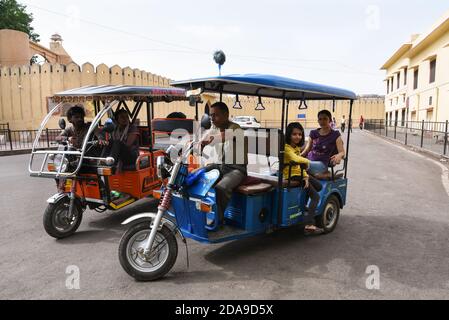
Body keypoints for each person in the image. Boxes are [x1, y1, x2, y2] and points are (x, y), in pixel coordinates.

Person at [200, 102, 247, 227]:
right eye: (211, 116)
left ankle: (218, 220)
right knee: (197, 174)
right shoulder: (214, 127)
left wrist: (207, 141)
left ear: (226, 115)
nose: (212, 119)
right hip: (220, 166)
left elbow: (223, 136)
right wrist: (194, 143)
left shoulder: (235, 127)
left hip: (236, 170)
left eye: (215, 115)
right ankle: (198, 214)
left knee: (221, 187)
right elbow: (203, 138)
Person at [284, 123, 324, 235]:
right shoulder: (286, 148)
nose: (298, 137)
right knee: (315, 196)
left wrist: (306, 176)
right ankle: (309, 225)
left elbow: (298, 165)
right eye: (294, 134)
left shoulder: (296, 147)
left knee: (319, 186)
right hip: (291, 175)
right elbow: (295, 159)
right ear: (288, 135)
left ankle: (304, 205)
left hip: (299, 174)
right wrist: (307, 162)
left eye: (300, 134)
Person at [301, 110, 346, 179]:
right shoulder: (313, 133)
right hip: (309, 160)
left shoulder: (335, 135)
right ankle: (324, 175)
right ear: (318, 120)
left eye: (325, 119)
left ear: (330, 120)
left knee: (302, 165)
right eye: (320, 119)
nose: (322, 121)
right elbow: (307, 149)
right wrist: (298, 156)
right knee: (294, 163)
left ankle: (325, 174)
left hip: (322, 163)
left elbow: (342, 152)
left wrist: (339, 155)